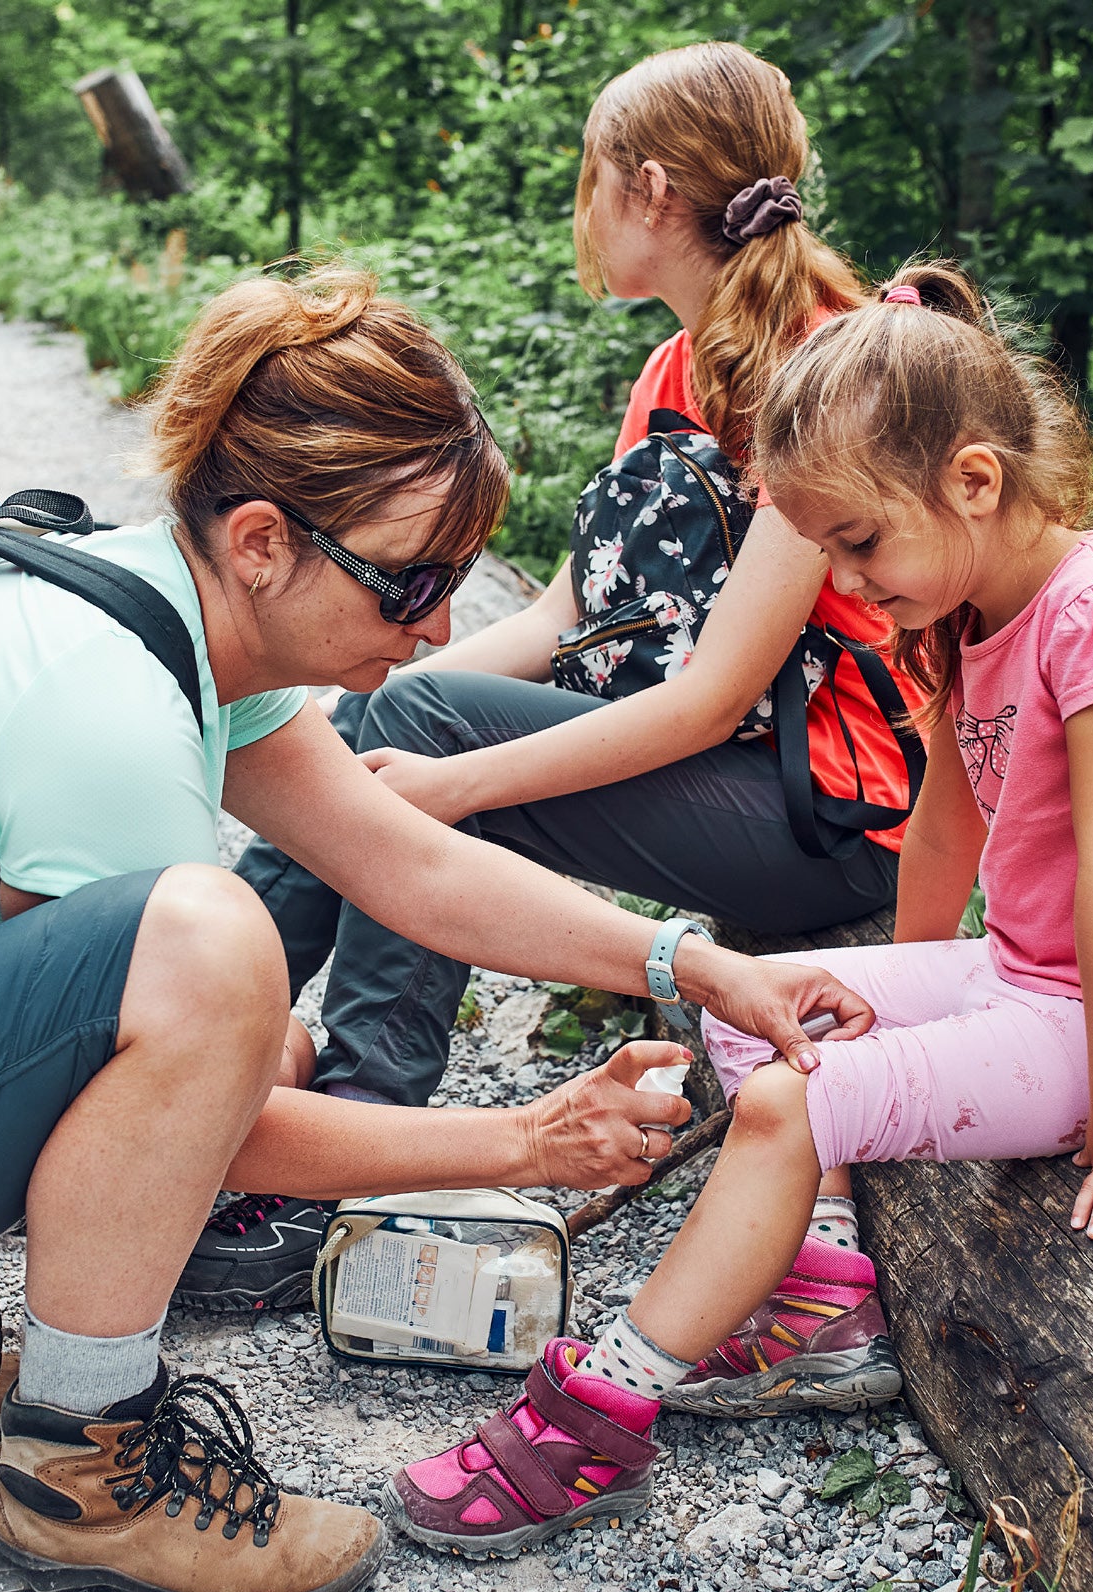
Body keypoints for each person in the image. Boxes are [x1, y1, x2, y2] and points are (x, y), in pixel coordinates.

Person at [0, 265, 871, 1592]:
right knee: (210, 942)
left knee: (228, 997)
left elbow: (406, 862)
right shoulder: (105, 706)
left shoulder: (143, 603)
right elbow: (183, 1139)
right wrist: (518, 1144)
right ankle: (80, 1472)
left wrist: (682, 962)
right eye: (408, 579)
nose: (434, 629)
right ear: (258, 541)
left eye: (457, 580)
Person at [382, 264, 1093, 1557]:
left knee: (798, 1099)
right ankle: (822, 1291)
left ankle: (603, 1403)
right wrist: (894, 999)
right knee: (766, 1002)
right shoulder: (969, 608)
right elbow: (948, 822)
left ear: (972, 480)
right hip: (1028, 976)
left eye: (857, 542)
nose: (846, 575)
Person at [205, 47, 920, 1383]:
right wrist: (395, 707)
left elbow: (707, 698)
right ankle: (219, 1051)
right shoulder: (675, 367)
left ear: (646, 189)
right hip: (732, 764)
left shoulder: (832, 370)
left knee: (427, 746)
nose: (577, 206)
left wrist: (445, 786)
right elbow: (586, 626)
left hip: (827, 809)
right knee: (410, 705)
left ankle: (346, 1125)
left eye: (585, 178)